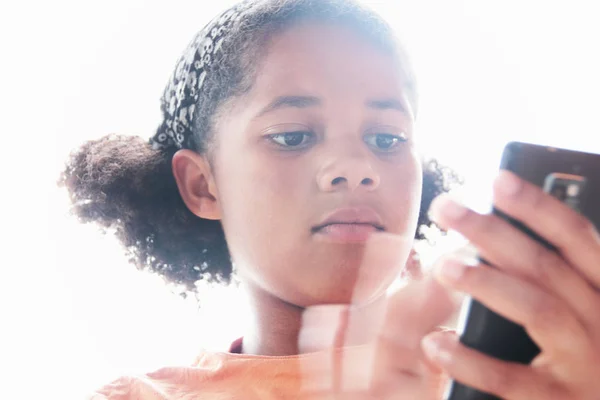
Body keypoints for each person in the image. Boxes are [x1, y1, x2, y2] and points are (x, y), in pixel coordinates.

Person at [60, 0, 600, 398]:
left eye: (387, 139)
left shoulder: (535, 378)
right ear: (203, 185)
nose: (358, 169)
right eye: (293, 136)